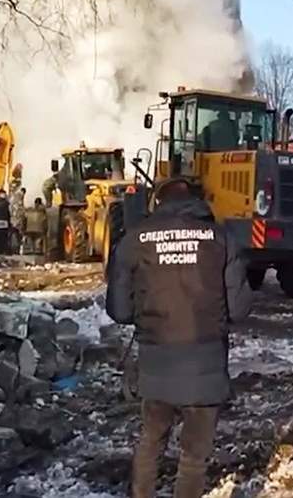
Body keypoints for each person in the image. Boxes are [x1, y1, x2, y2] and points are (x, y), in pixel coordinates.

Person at [106, 177, 252, 497]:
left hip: (156, 364)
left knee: (150, 442)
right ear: (197, 202)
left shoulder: (135, 240)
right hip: (207, 367)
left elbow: (119, 310)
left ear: (158, 203)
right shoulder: (221, 239)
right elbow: (240, 309)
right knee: (193, 460)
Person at [10, 187, 26, 253]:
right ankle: (18, 248)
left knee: (14, 234)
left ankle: (14, 248)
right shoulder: (19, 198)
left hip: (13, 220)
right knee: (18, 235)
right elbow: (21, 211)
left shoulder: (13, 198)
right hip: (17, 221)